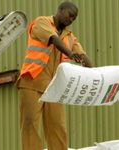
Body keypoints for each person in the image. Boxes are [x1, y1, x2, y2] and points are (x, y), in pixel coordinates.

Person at [16, 1, 93, 150]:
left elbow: (82, 55)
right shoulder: (41, 22)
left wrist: (97, 73)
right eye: (70, 15)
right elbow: (53, 39)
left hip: (54, 87)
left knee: (57, 125)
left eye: (74, 19)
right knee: (30, 123)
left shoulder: (69, 36)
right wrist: (70, 54)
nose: (71, 20)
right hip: (32, 81)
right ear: (60, 10)